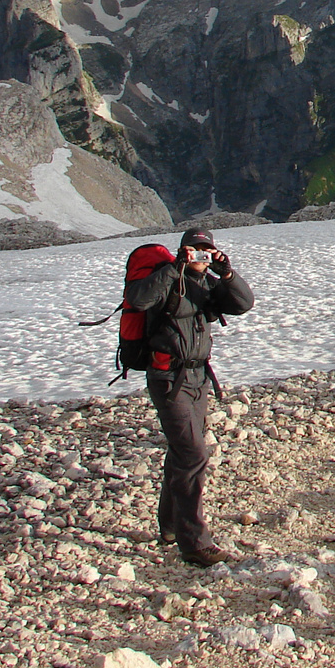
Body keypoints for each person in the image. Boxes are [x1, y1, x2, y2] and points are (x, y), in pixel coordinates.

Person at [123, 228, 254, 566]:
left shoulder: (209, 282)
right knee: (193, 453)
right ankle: (193, 542)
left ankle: (168, 527)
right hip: (168, 377)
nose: (201, 255)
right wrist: (173, 268)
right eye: (195, 249)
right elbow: (137, 300)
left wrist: (226, 273)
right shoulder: (164, 278)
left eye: (207, 250)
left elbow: (243, 304)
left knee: (183, 451)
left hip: (199, 377)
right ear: (182, 250)